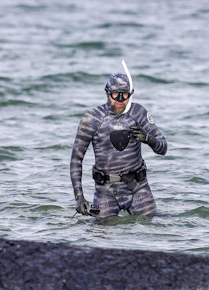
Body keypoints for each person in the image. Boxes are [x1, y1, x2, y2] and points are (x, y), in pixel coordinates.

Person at [70, 72, 167, 217]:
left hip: (138, 188)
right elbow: (76, 160)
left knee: (152, 229)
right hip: (105, 191)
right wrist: (79, 198)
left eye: (125, 95)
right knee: (101, 235)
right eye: (116, 94)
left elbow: (163, 148)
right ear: (107, 92)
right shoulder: (92, 118)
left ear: (131, 94)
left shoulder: (138, 113)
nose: (121, 99)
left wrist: (148, 138)